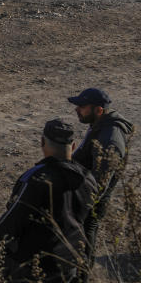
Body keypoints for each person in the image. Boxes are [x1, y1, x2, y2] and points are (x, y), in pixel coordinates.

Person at [0, 119, 98, 283]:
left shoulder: (36, 179)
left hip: (31, 265)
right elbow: (88, 225)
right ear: (73, 146)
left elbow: (14, 217)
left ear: (42, 142)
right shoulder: (87, 179)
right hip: (68, 263)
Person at [68, 88, 134, 282]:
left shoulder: (110, 138)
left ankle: (82, 277)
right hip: (85, 194)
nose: (77, 110)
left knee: (86, 238)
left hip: (91, 202)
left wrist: (80, 203)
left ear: (98, 110)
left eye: (82, 106)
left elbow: (100, 183)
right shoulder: (100, 124)